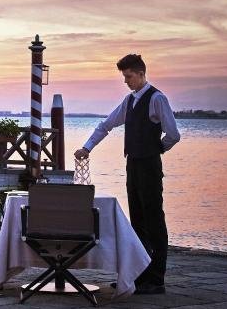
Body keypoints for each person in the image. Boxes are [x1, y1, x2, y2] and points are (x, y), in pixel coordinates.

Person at [74, 54, 180, 294]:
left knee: (154, 219)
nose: (126, 81)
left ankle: (156, 279)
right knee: (138, 220)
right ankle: (140, 275)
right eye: (124, 77)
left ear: (141, 74)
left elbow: (173, 134)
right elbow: (106, 125)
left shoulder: (157, 99)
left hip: (150, 165)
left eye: (129, 76)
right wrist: (87, 147)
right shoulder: (129, 101)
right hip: (132, 164)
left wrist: (156, 149)